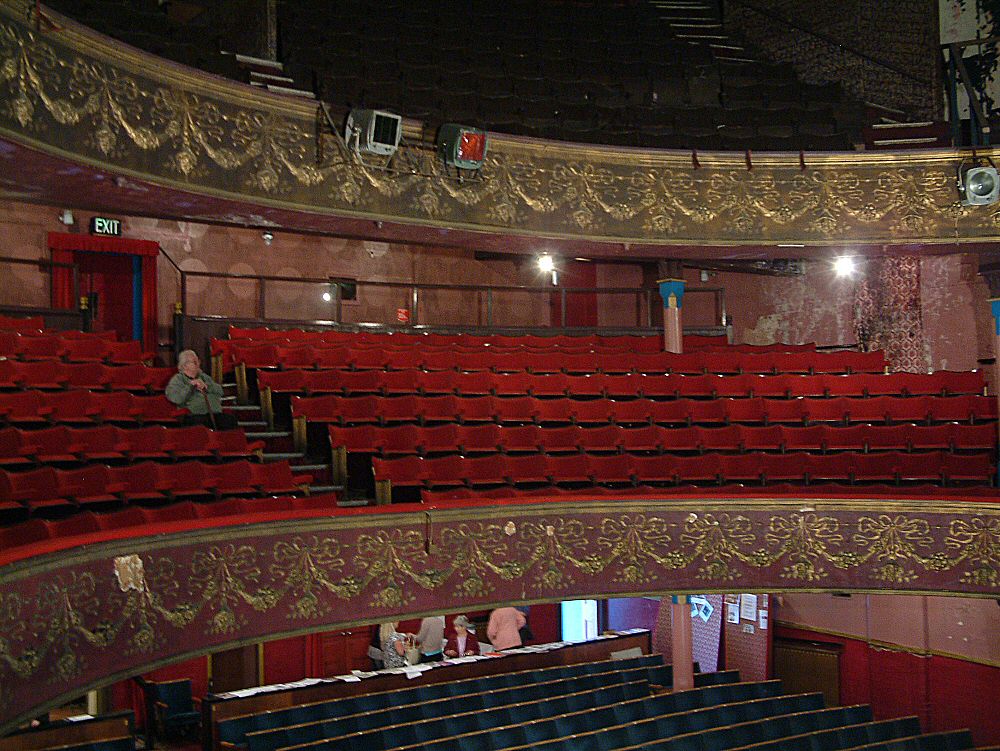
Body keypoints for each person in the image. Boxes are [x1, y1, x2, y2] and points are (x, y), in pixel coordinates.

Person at [166, 350, 238, 429]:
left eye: (198, 361)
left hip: (215, 414)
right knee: (200, 424)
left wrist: (207, 386)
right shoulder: (178, 379)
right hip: (195, 415)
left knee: (230, 420)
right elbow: (176, 398)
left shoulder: (204, 376)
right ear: (184, 365)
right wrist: (191, 386)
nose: (198, 364)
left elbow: (220, 391)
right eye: (194, 362)